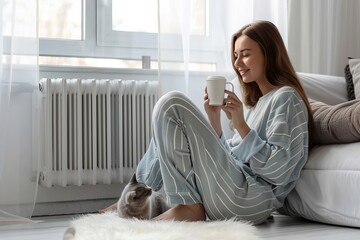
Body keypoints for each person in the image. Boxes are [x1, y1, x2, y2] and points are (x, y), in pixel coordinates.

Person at [101, 20, 313, 224]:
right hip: (233, 190)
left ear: (269, 53)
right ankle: (135, 197)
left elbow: (279, 169)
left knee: (173, 104)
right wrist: (215, 121)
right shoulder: (256, 105)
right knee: (167, 125)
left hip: (252, 200)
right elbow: (235, 161)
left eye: (246, 55)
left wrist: (240, 125)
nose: (237, 63)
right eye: (236, 56)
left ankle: (184, 205)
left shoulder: (287, 98)